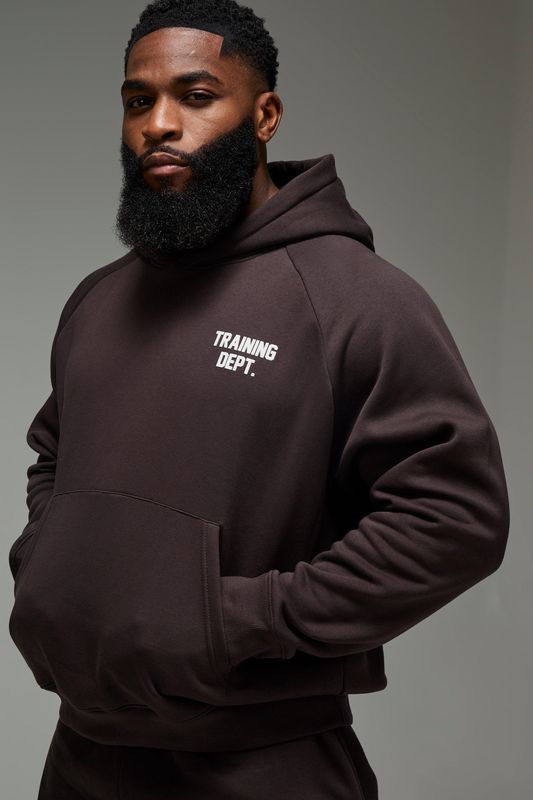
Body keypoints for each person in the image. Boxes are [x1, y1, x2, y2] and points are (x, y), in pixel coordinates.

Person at [7, 1, 510, 798]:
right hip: (82, 756)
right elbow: (53, 457)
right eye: (138, 100)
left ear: (264, 115)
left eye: (196, 96)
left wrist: (235, 620)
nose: (159, 124)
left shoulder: (354, 299)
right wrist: (49, 571)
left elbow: (454, 519)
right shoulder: (97, 299)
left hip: (262, 763)